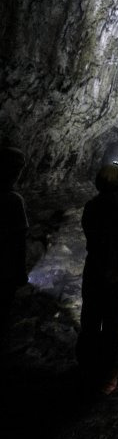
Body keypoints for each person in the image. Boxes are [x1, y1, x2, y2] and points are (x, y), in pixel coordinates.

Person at [76, 161, 118, 395]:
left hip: (95, 270)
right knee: (113, 323)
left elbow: (91, 237)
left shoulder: (90, 207)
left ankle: (86, 369)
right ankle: (107, 375)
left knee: (90, 319)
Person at [0, 146, 29, 344]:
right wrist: (20, 271)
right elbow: (19, 239)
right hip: (5, 268)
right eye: (17, 170)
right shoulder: (13, 200)